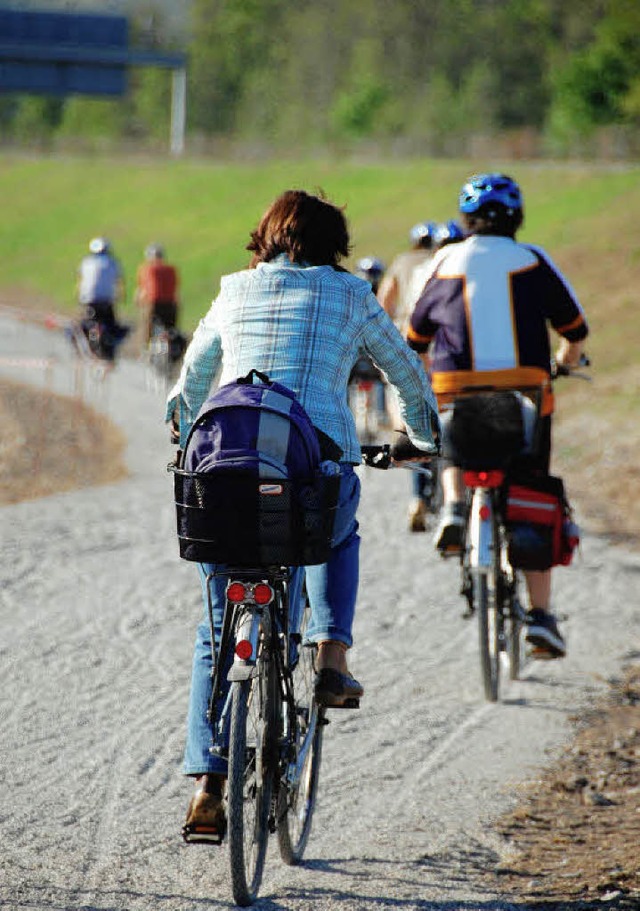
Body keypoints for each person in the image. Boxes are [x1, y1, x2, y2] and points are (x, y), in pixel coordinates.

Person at [166, 189, 440, 838]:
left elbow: (189, 382)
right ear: (332, 244)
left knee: (215, 626)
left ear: (266, 235)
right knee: (338, 533)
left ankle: (208, 782)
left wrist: (183, 435)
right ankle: (330, 657)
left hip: (223, 477)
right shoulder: (350, 295)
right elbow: (405, 371)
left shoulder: (234, 289)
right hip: (310, 471)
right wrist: (427, 438)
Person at [407, 173, 589, 659]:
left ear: (466, 219)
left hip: (454, 393)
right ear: (517, 217)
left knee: (450, 443)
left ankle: (450, 507)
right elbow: (575, 329)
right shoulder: (532, 260)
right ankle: (542, 615)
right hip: (525, 394)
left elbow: (415, 336)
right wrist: (565, 364)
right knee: (531, 486)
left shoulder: (444, 260)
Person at [378, 222, 439, 532]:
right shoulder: (446, 261)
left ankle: (418, 495)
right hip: (443, 346)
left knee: (412, 419)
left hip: (409, 344)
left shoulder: (402, 262)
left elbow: (383, 306)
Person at [76, 237, 129, 360]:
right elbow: (119, 281)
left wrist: (80, 296)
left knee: (86, 322)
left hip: (88, 299)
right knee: (111, 323)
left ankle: (85, 347)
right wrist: (120, 296)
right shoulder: (112, 262)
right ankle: (110, 346)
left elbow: (80, 282)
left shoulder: (86, 262)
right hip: (106, 300)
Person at [135, 243, 181, 348]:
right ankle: (172, 345)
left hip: (153, 303)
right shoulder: (171, 269)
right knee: (171, 327)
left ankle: (146, 347)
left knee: (146, 324)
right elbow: (175, 287)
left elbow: (141, 290)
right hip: (170, 303)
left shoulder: (146, 269)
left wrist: (138, 301)